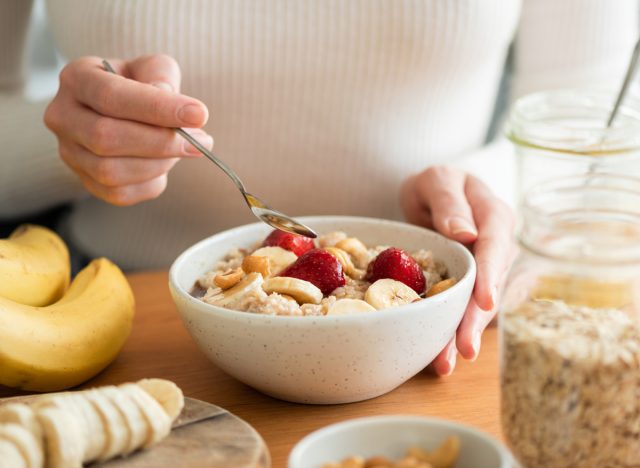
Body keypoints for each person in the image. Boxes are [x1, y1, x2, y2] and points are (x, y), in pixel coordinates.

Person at [1, 0, 637, 376]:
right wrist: (69, 143)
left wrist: (484, 189)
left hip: (429, 336)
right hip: (126, 331)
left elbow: (599, 117)